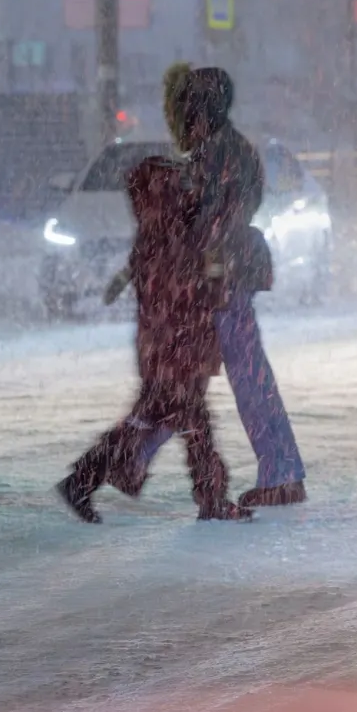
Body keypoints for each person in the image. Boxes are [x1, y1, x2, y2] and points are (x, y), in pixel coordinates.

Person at [58, 157, 251, 523]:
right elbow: (204, 288)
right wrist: (217, 280)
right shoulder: (186, 230)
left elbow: (159, 286)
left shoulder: (153, 229)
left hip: (161, 347)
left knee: (153, 420)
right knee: (189, 422)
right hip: (180, 346)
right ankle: (210, 498)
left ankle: (83, 479)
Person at [178, 67, 307, 508]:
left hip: (222, 277)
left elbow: (211, 219)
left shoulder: (217, 155)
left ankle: (281, 471)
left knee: (211, 379)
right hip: (228, 273)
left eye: (190, 107)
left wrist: (205, 265)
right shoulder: (229, 150)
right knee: (236, 376)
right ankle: (280, 469)